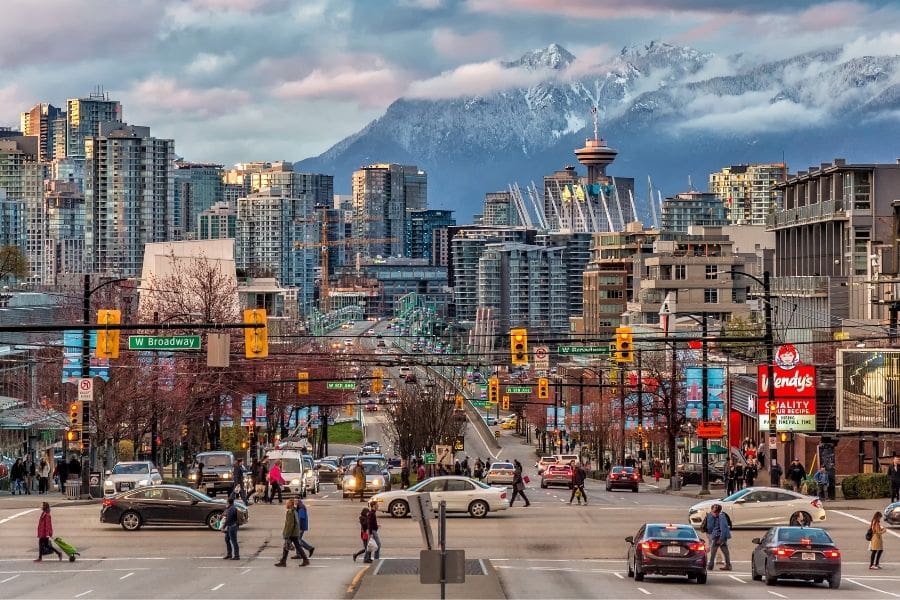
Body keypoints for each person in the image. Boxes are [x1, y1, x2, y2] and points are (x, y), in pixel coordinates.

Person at [275, 499, 308, 567]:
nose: (286, 504)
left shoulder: (290, 512)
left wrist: (287, 534)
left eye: (287, 503)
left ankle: (284, 562)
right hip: (294, 532)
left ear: (290, 504)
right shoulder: (294, 511)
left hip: (292, 533)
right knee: (291, 546)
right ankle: (284, 561)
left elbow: (290, 524)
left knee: (289, 546)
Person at [705, 504, 732, 571]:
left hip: (718, 536)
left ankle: (710, 566)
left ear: (717, 512)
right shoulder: (719, 516)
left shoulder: (721, 516)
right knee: (725, 551)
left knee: (713, 552)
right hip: (720, 536)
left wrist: (721, 538)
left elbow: (723, 528)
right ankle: (728, 565)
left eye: (713, 512)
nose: (712, 513)